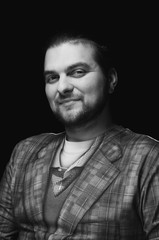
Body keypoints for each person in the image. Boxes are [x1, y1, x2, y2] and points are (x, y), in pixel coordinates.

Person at [0, 31, 159, 240]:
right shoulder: (25, 152)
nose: (62, 87)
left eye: (77, 72)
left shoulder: (147, 157)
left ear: (110, 80)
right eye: (52, 78)